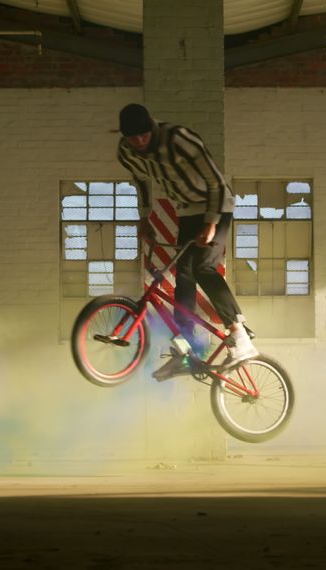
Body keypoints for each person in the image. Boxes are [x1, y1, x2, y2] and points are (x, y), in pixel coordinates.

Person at [116, 103, 258, 380]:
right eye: (133, 139)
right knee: (183, 276)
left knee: (204, 267)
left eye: (144, 136)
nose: (140, 143)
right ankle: (186, 349)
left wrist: (211, 223)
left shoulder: (180, 140)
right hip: (187, 210)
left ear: (152, 129)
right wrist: (144, 218)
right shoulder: (126, 151)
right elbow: (140, 180)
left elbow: (217, 183)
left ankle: (240, 336)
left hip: (216, 205)